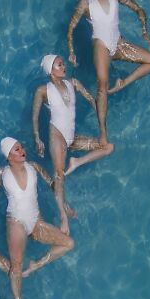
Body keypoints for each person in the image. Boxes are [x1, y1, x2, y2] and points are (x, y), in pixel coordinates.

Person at [66, 0, 150, 146]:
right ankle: (103, 132)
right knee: (102, 86)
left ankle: (123, 84)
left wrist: (144, 31)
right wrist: (71, 50)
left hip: (119, 44)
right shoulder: (85, 3)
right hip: (101, 45)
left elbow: (139, 9)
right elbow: (70, 28)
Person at [0, 137, 74, 299]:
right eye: (16, 149)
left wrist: (66, 209)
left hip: (36, 221)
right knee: (16, 267)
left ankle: (35, 265)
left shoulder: (34, 167)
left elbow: (54, 187)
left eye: (21, 146)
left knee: (68, 243)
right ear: (8, 156)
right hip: (17, 223)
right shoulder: (1, 173)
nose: (22, 150)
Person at [32, 53, 114, 216]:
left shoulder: (73, 83)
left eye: (63, 64)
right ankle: (63, 213)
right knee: (59, 176)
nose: (63, 67)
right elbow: (34, 115)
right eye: (59, 65)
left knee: (108, 147)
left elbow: (92, 99)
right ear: (50, 70)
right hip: (57, 136)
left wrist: (102, 124)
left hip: (72, 138)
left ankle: (77, 161)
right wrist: (37, 137)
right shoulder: (43, 90)